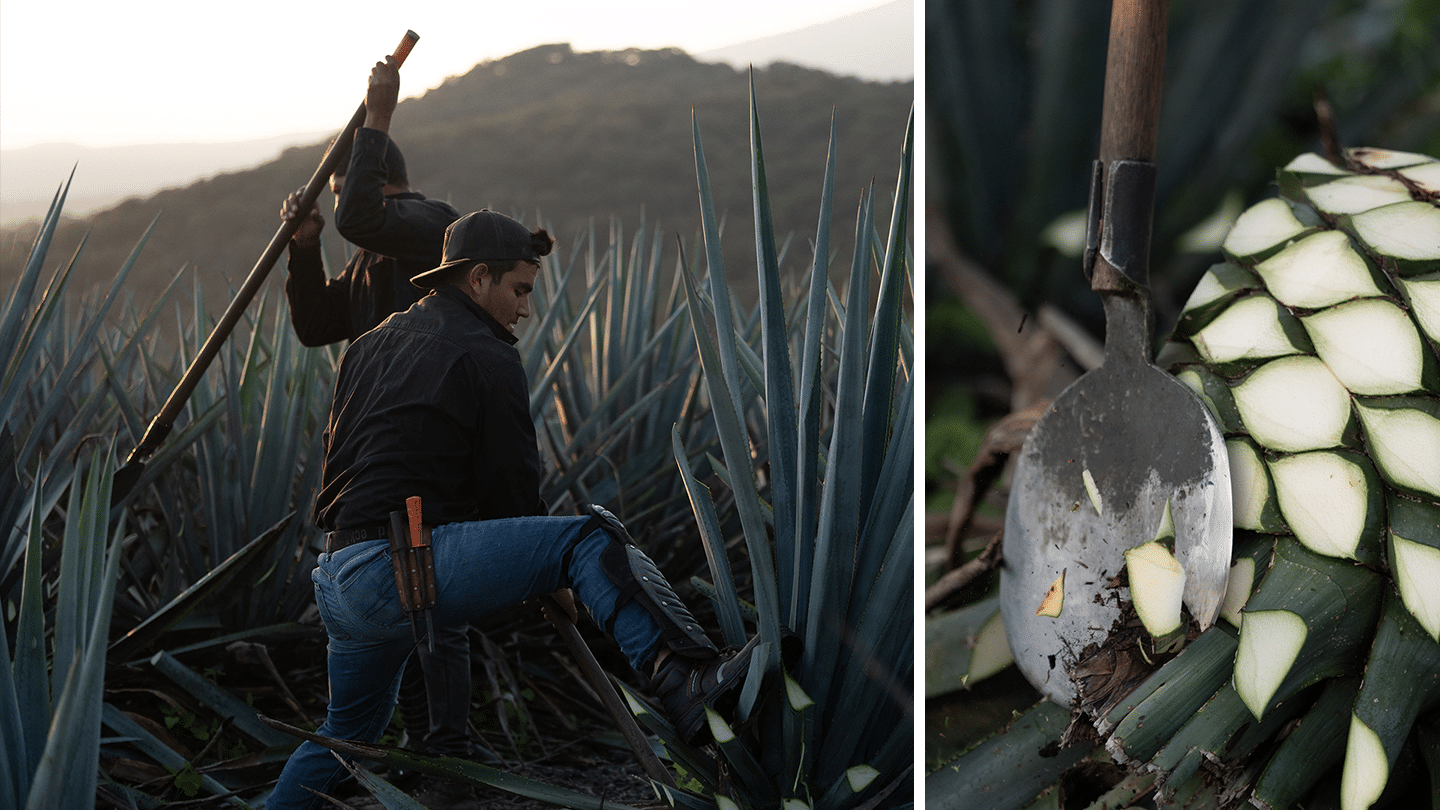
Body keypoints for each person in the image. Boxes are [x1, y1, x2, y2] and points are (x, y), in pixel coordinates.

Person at [265, 211, 761, 810]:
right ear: (478, 279)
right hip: (397, 573)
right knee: (585, 539)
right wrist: (554, 576)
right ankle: (687, 682)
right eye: (519, 290)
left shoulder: (368, 345)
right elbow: (511, 491)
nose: (524, 310)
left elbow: (341, 458)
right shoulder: (485, 352)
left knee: (345, 736)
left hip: (339, 578)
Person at [279, 56, 482, 776]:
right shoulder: (370, 259)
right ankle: (430, 747)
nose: (342, 215)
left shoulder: (430, 227)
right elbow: (315, 325)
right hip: (379, 445)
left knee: (431, 595)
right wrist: (305, 254)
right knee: (409, 591)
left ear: (379, 181)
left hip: (427, 435)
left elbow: (360, 212)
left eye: (346, 194)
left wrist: (379, 112)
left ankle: (448, 755)